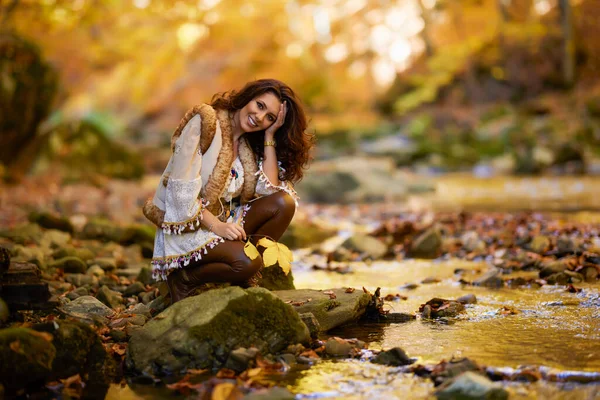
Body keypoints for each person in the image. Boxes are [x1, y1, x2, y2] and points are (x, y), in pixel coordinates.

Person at [142, 79, 314, 303]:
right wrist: (218, 226)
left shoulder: (246, 144)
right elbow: (180, 196)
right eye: (260, 106)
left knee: (283, 203)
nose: (260, 118)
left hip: (221, 224)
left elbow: (268, 189)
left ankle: (238, 275)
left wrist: (270, 136)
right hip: (188, 226)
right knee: (247, 262)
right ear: (248, 97)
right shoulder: (204, 123)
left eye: (270, 117)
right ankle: (185, 279)